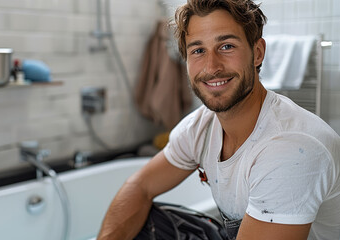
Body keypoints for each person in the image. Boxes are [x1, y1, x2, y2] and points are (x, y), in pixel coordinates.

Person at [97, 0, 340, 239]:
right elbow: (140, 186)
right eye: (198, 50)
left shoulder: (291, 148)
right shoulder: (201, 126)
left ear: (257, 53)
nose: (211, 66)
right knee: (142, 221)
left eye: (226, 46)